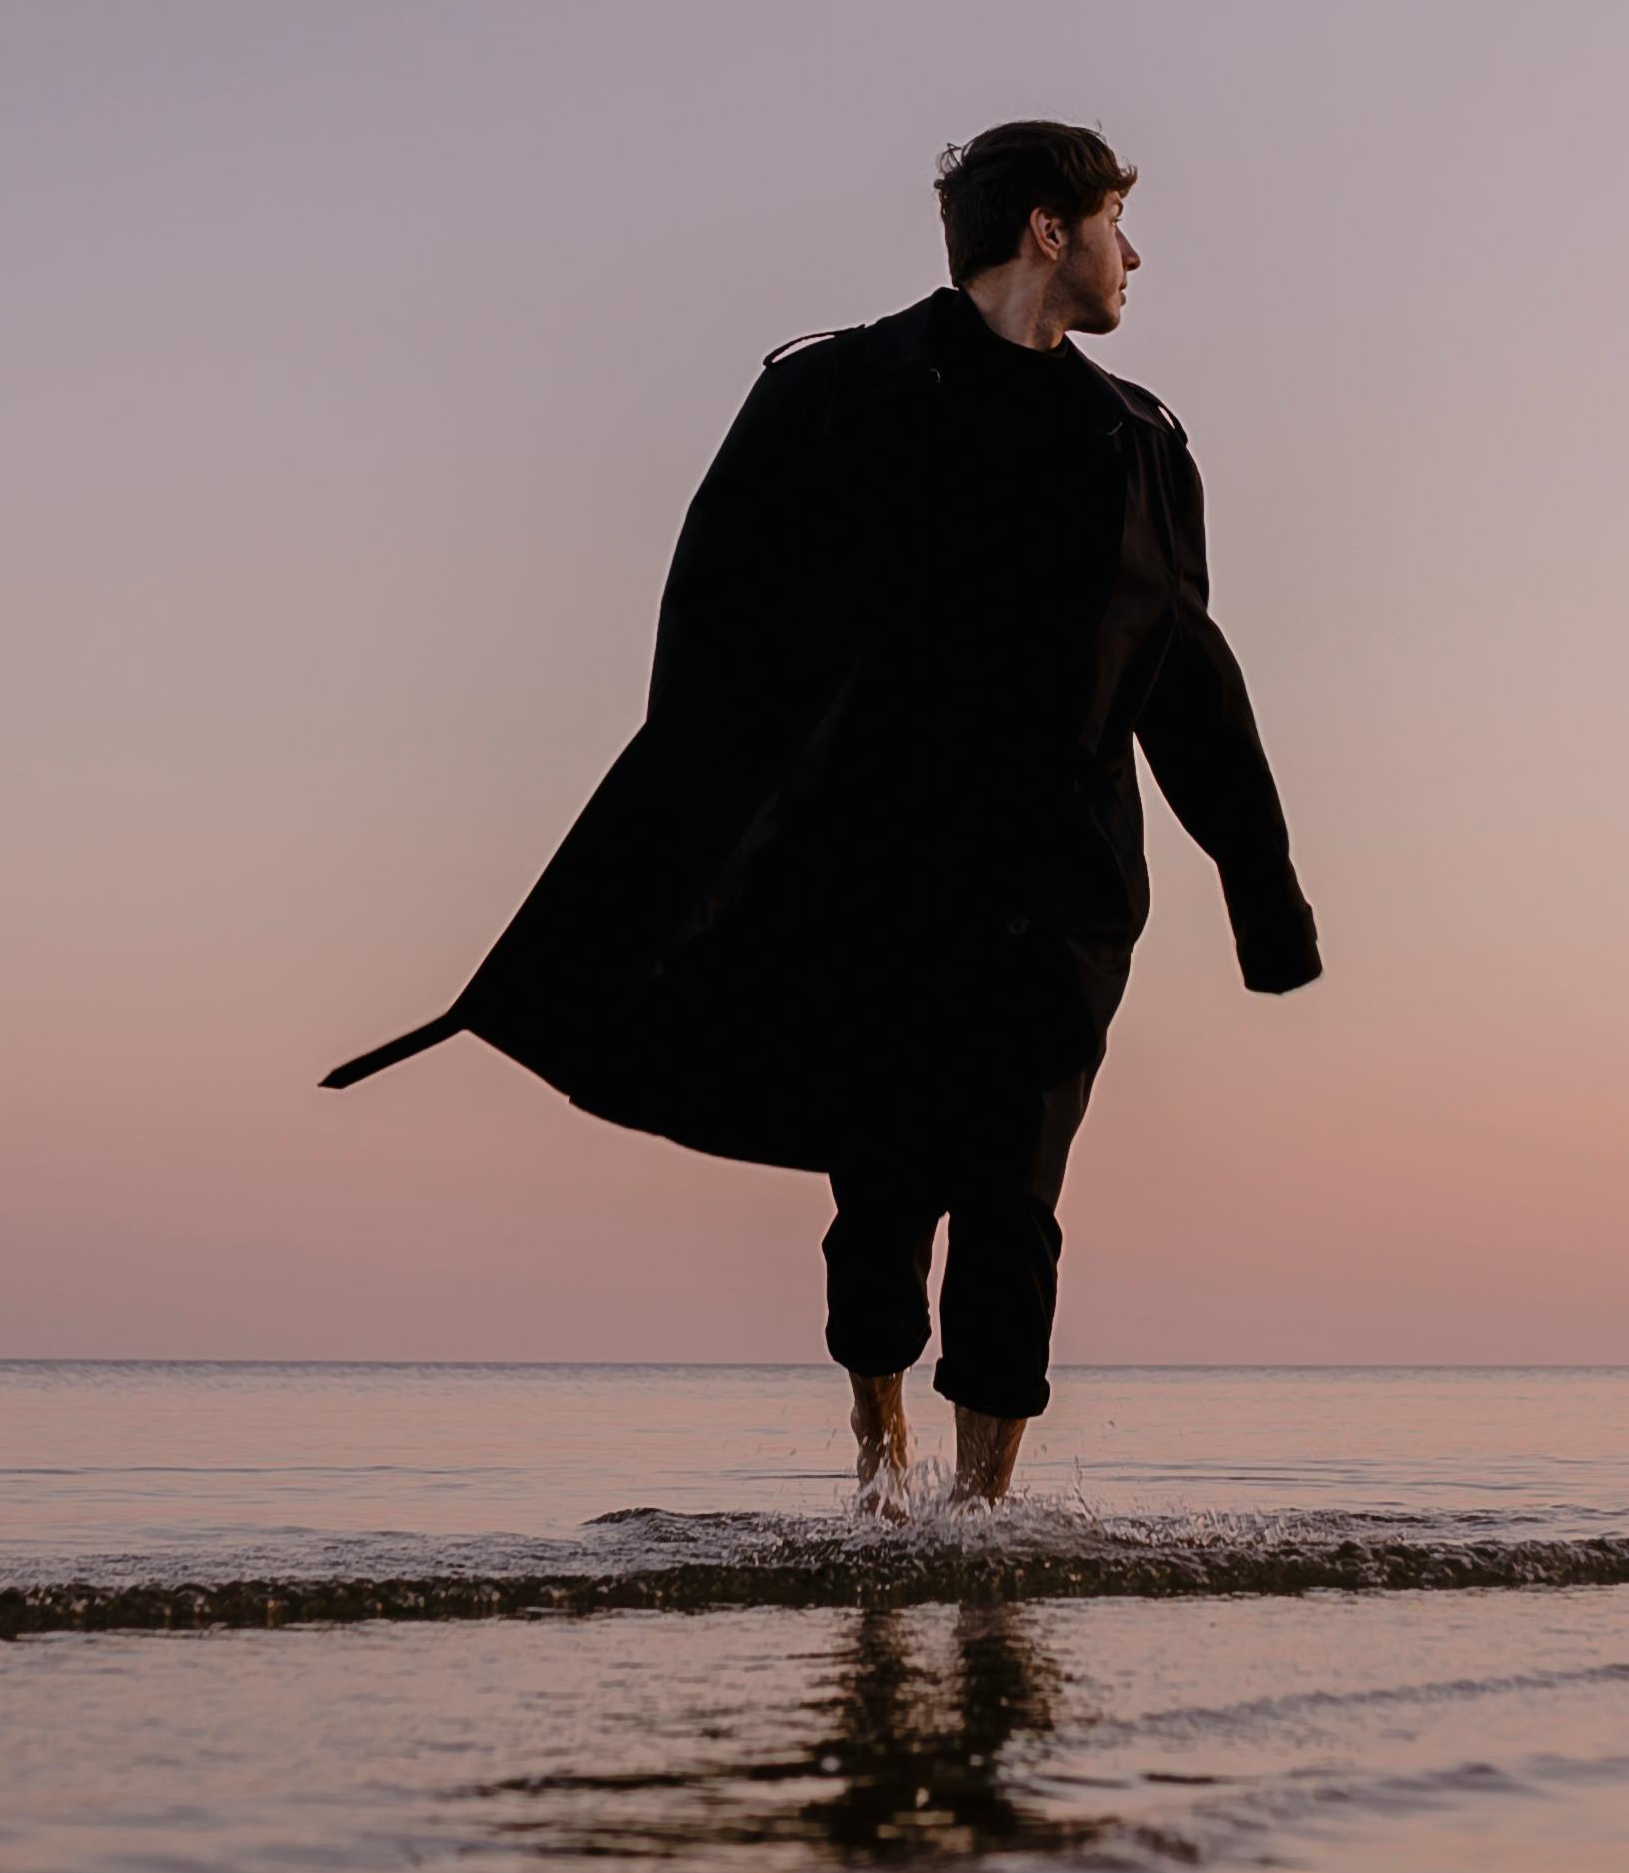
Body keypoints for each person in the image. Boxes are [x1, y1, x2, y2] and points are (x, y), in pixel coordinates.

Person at [325, 120, 1323, 1501]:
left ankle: (981, 1521)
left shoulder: (1136, 441)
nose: (1130, 254)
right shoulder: (831, 397)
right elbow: (714, 631)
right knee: (886, 1190)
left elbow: (1189, 676)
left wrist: (1262, 890)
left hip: (1067, 894)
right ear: (1048, 229)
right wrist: (706, 836)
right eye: (1112, 222)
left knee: (1017, 1196)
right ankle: (878, 1448)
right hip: (876, 872)